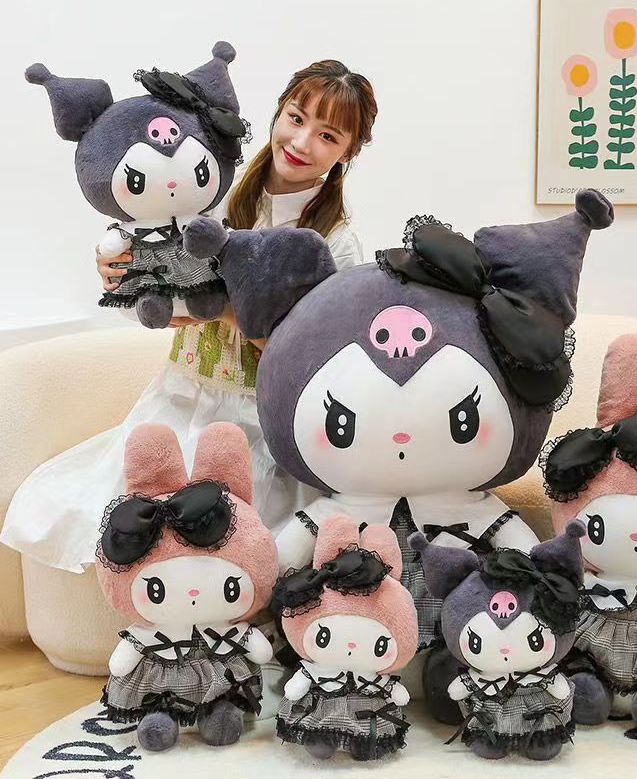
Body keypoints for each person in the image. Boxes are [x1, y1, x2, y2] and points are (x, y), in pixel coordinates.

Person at [1, 59, 378, 575]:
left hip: (263, 421)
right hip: (179, 396)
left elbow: (317, 358)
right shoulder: (207, 190)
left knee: (231, 547)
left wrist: (226, 311)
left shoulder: (337, 242)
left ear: (347, 154)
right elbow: (149, 288)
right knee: (94, 514)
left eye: (328, 135)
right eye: (296, 117)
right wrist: (122, 270)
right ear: (278, 114)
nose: (302, 140)